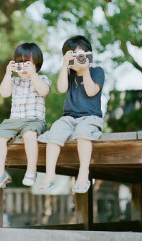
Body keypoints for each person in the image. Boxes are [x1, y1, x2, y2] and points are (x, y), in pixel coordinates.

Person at [38, 35, 104, 193]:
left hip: (90, 117)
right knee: (54, 133)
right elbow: (61, 88)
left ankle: (83, 174)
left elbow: (91, 91)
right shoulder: (69, 73)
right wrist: (64, 65)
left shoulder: (97, 71)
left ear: (89, 55)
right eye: (73, 55)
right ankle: (50, 174)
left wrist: (85, 69)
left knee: (82, 134)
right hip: (69, 118)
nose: (78, 59)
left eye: (81, 54)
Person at [0, 42, 51, 188]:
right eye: (20, 63)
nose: (23, 67)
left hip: (34, 121)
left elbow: (43, 91)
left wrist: (33, 74)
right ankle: (0, 173)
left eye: (27, 63)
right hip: (14, 121)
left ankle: (31, 170)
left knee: (29, 135)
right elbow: (4, 93)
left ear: (37, 64)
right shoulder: (14, 81)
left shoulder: (42, 78)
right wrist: (7, 73)